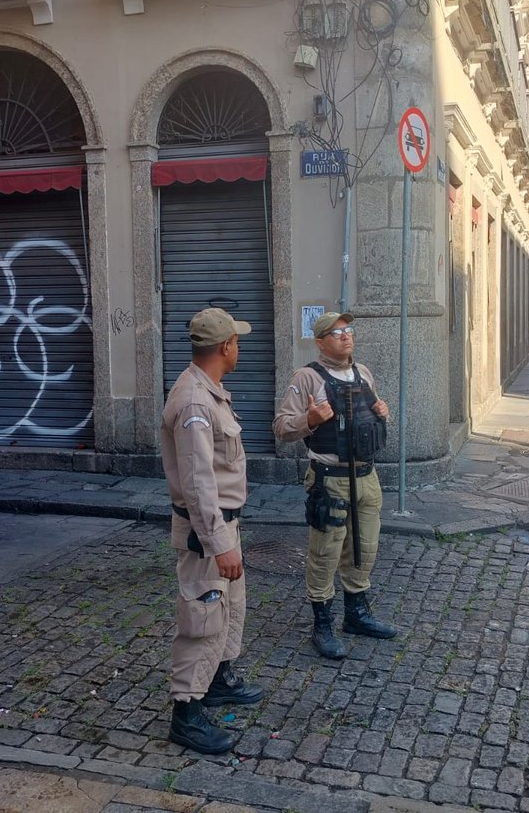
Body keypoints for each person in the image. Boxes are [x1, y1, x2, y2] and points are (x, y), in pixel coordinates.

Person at [160, 307, 264, 754]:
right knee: (202, 618)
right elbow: (199, 483)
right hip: (208, 529)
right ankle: (185, 713)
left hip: (224, 524)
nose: (239, 347)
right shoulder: (195, 402)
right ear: (225, 347)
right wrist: (220, 543)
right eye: (236, 342)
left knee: (229, 609)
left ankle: (218, 681)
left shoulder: (211, 391)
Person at [273, 311, 398, 659]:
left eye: (349, 330)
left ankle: (357, 615)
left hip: (367, 479)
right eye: (337, 332)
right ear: (320, 341)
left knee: (364, 549)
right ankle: (322, 624)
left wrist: (381, 412)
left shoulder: (364, 373)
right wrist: (308, 419)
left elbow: (366, 418)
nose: (346, 336)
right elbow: (281, 428)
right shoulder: (307, 378)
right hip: (329, 481)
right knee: (325, 554)